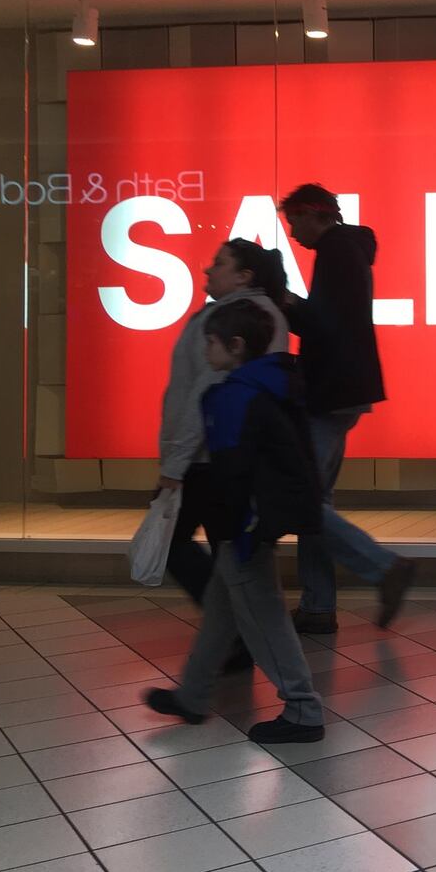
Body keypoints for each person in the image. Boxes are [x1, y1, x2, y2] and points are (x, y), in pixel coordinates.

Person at [143, 298, 326, 743]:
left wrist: (229, 527)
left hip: (241, 527)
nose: (205, 351)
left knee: (265, 619)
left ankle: (303, 709)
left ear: (235, 345)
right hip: (254, 521)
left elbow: (231, 471)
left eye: (211, 342)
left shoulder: (232, 397)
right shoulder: (275, 383)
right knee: (221, 613)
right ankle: (192, 695)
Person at [279, 183, 415, 633]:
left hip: (330, 390)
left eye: (293, 220)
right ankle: (318, 606)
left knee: (299, 498)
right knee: (314, 499)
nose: (292, 232)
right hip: (346, 389)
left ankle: (382, 567)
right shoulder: (349, 248)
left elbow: (323, 324)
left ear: (313, 213)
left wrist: (285, 301)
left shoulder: (336, 251)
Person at [158, 239, 291, 673]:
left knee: (181, 547)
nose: (207, 271)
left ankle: (242, 650)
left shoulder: (235, 318)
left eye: (219, 263)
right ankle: (226, 656)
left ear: (244, 275)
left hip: (207, 458)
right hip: (214, 457)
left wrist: (175, 464)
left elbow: (205, 390)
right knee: (227, 564)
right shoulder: (254, 313)